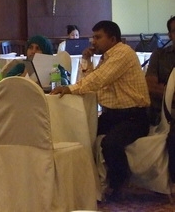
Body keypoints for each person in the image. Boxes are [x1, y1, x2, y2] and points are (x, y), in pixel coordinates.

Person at [51, 20, 151, 200]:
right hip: (113, 115)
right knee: (81, 133)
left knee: (110, 144)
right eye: (93, 37)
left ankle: (118, 185)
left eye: (98, 37)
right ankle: (85, 182)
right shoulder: (107, 57)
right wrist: (87, 61)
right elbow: (93, 83)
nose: (93, 41)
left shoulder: (122, 54)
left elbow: (98, 80)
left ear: (112, 39)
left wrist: (70, 89)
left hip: (133, 117)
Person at [145, 15, 175, 181]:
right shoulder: (159, 55)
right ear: (170, 35)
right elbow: (150, 86)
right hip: (163, 112)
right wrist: (170, 94)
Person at [1, 35, 69, 85]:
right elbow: (5, 84)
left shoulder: (56, 68)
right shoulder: (20, 67)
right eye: (30, 48)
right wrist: (24, 75)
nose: (33, 51)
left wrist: (50, 78)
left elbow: (66, 84)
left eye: (38, 49)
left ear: (45, 52)